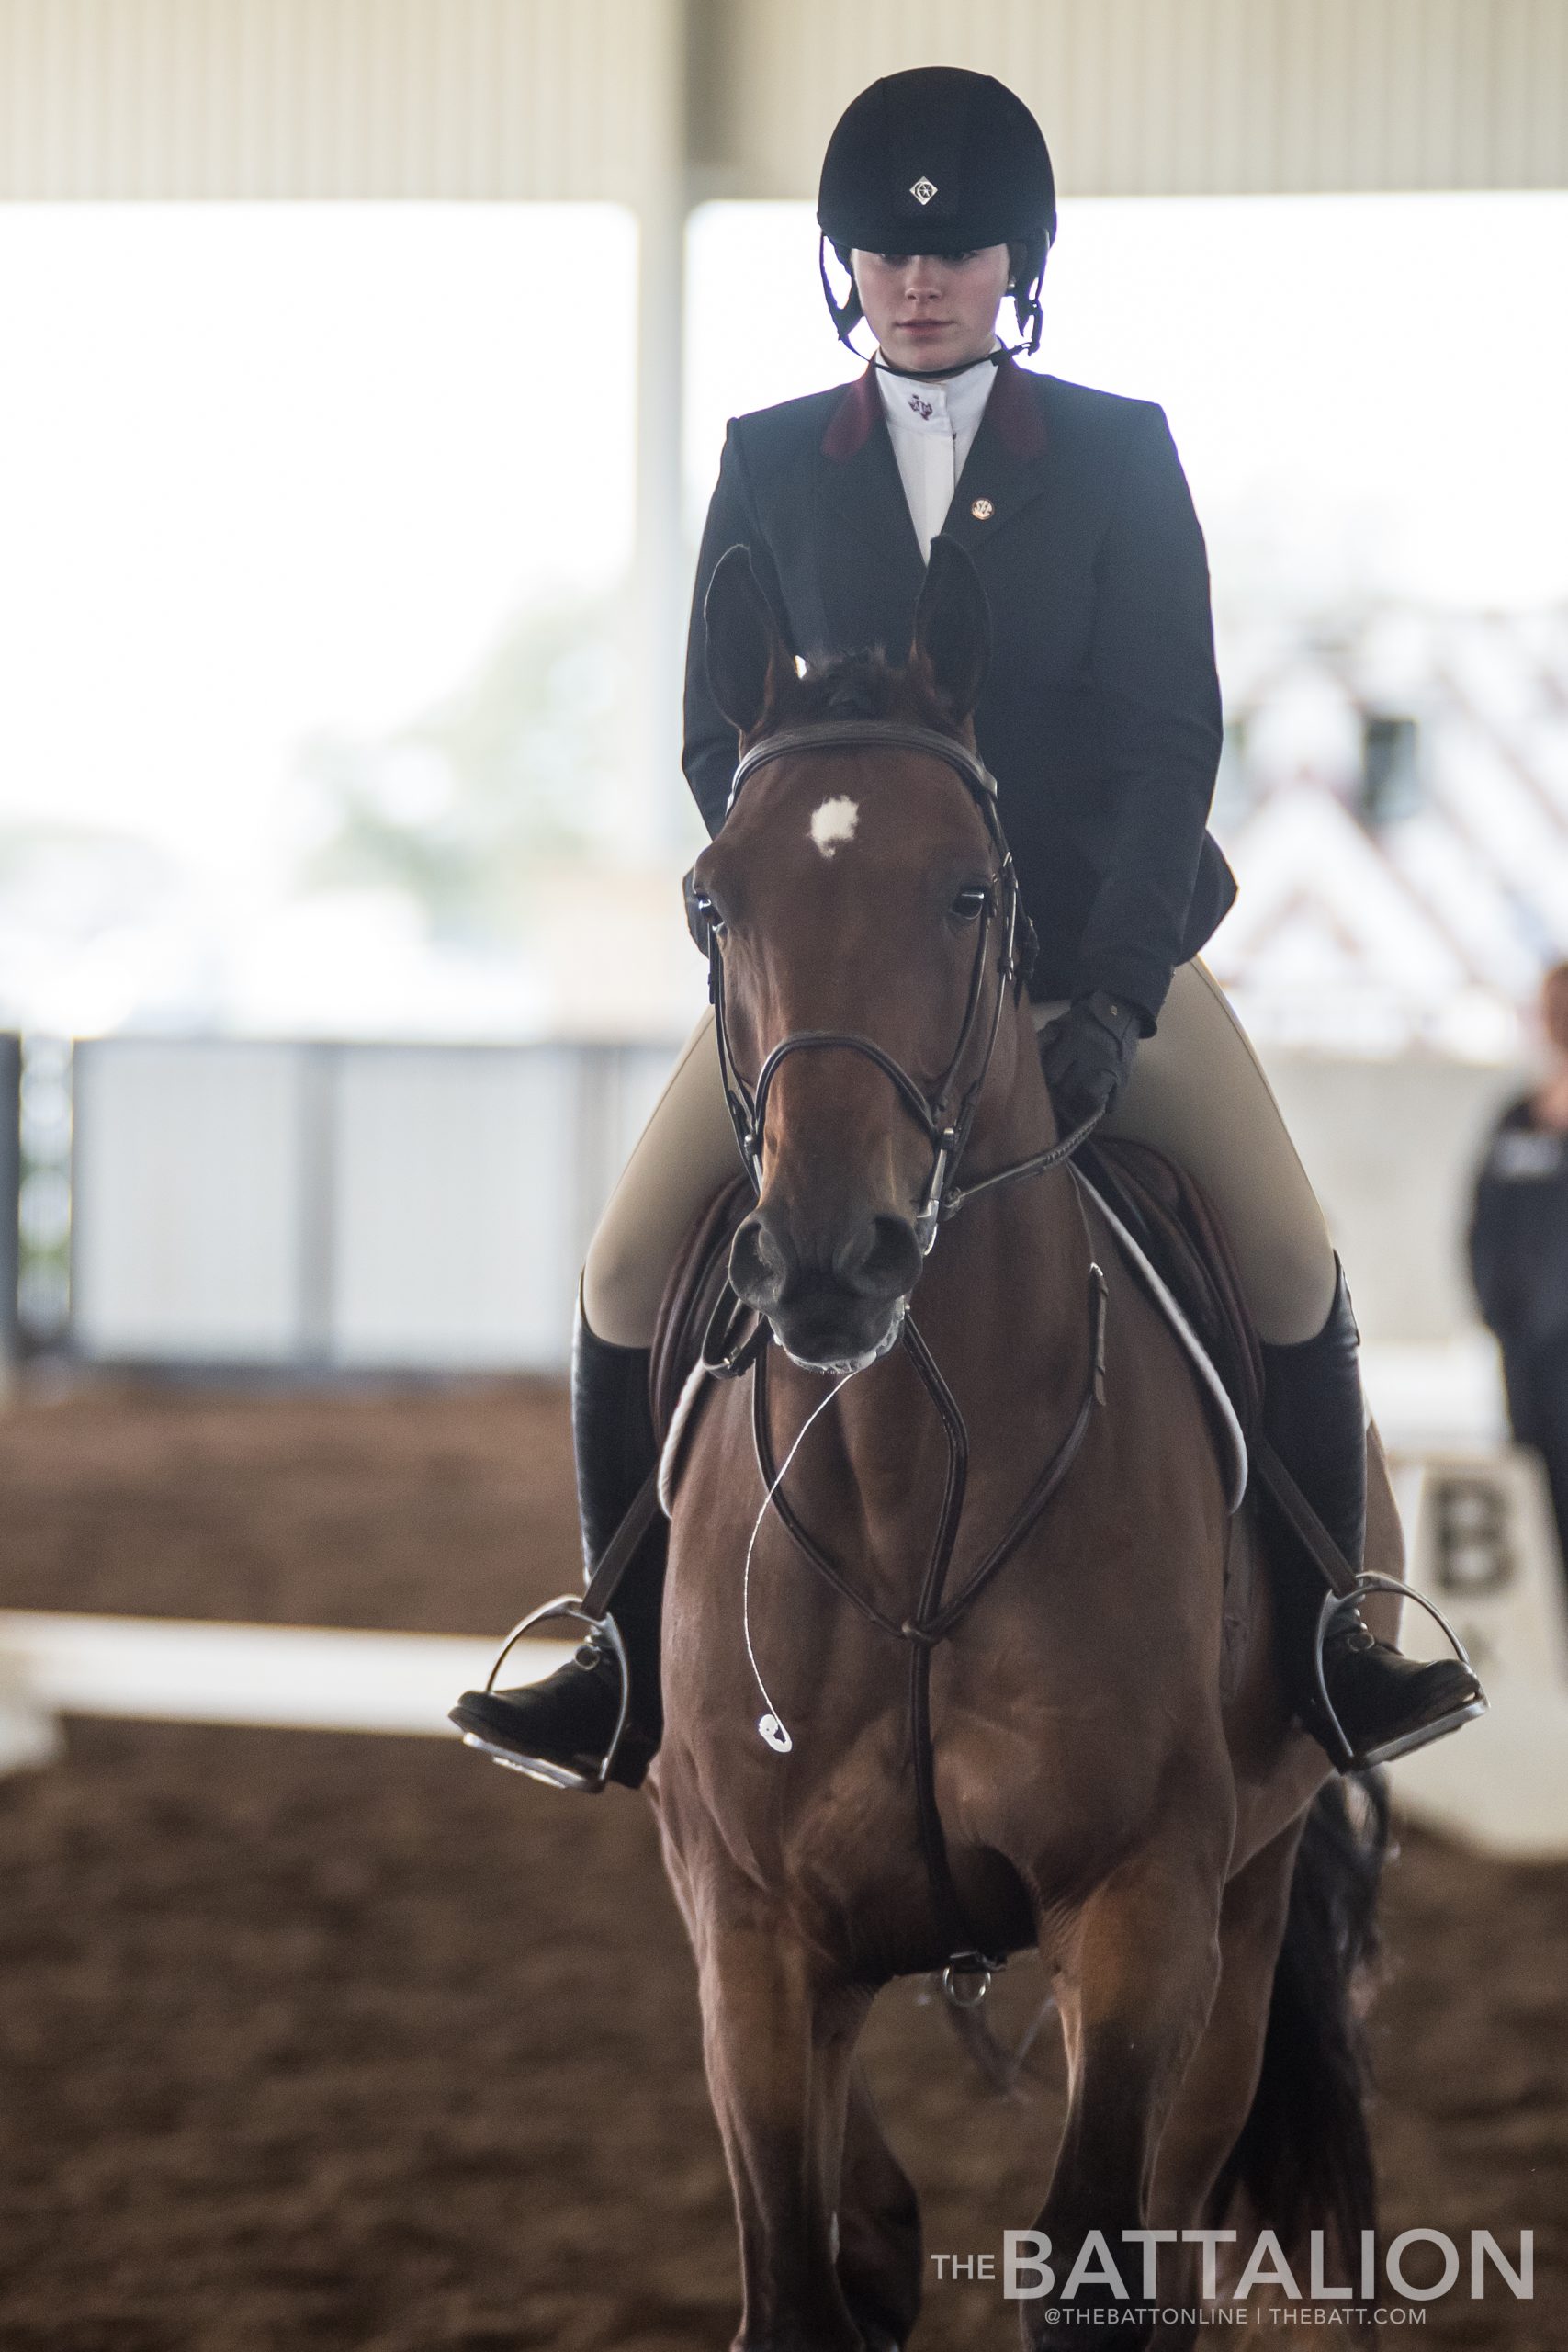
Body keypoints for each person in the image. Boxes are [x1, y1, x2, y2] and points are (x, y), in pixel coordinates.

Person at [452, 65, 1483, 1784]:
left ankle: (1328, 1644)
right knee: (627, 1269)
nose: (919, 282)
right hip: (842, 999)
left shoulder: (1113, 454)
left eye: (957, 255)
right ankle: (616, 1657)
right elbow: (722, 741)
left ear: (1018, 266)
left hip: (1094, 971)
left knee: (1292, 1263)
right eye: (884, 254)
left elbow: (1170, 738)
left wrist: (1118, 986)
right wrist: (791, 936)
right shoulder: (770, 464)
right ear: (843, 266)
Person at [1470, 961, 1568, 1575]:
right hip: (1531, 1361)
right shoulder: (1516, 1122)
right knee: (1542, 1507)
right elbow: (1481, 1230)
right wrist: (1498, 1317)